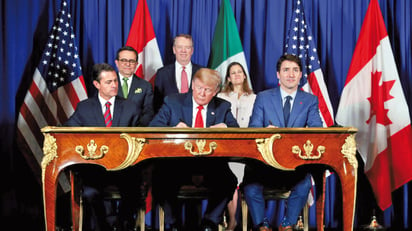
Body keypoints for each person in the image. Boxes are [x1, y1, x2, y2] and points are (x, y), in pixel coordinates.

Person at [150, 68, 239, 231]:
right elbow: (153, 127)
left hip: (211, 164)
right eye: (199, 88)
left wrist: (224, 126)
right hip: (178, 164)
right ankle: (173, 223)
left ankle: (209, 222)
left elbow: (236, 131)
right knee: (159, 179)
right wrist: (173, 128)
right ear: (192, 85)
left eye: (207, 90)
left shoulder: (222, 106)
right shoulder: (173, 102)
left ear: (216, 91)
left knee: (229, 181)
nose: (202, 94)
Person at [242, 54, 323, 231]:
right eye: (286, 70)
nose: (291, 74)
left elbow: (317, 130)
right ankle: (262, 225)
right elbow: (253, 129)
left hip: (295, 166)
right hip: (265, 165)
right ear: (278, 74)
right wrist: (266, 132)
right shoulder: (263, 97)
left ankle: (287, 225)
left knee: (304, 185)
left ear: (301, 74)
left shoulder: (310, 100)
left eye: (295, 70)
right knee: (250, 186)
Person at [65, 63, 147, 231]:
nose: (114, 85)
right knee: (90, 194)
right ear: (97, 85)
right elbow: (67, 131)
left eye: (115, 81)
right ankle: (104, 227)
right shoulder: (85, 107)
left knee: (133, 192)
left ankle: (122, 225)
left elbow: (140, 139)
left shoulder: (131, 107)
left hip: (124, 168)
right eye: (109, 82)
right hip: (95, 169)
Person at [217, 62, 256, 231]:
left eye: (239, 72)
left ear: (245, 75)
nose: (237, 75)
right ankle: (232, 221)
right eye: (233, 73)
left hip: (248, 146)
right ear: (228, 78)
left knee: (244, 175)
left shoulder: (254, 97)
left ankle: (247, 221)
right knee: (230, 177)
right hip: (227, 146)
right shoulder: (221, 98)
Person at [154, 34, 203, 112]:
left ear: (192, 51)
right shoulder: (162, 73)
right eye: (180, 47)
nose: (183, 51)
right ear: (174, 50)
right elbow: (157, 103)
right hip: (170, 121)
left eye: (187, 47)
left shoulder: (202, 72)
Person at [115, 45, 154, 126]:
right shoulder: (107, 83)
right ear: (117, 63)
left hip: (136, 132)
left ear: (136, 64)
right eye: (123, 60)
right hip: (111, 132)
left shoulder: (145, 86)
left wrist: (135, 130)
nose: (128, 64)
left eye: (132, 61)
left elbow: (148, 113)